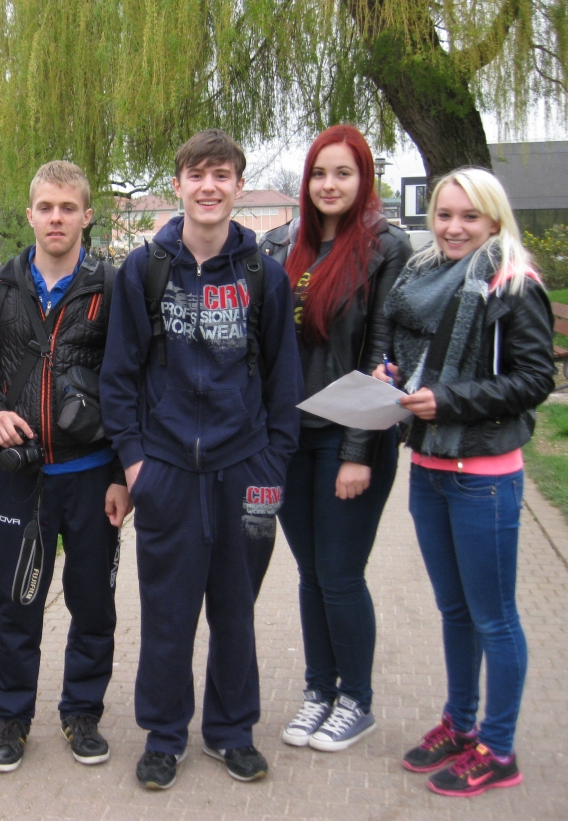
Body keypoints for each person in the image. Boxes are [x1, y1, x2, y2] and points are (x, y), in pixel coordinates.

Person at [101, 129, 302, 789]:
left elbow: (284, 382)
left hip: (247, 472)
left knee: (236, 610)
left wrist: (271, 466)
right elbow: (119, 378)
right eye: (197, 174)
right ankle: (164, 735)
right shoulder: (143, 270)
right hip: (166, 474)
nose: (209, 186)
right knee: (167, 614)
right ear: (178, 184)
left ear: (238, 186)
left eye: (222, 175)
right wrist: (137, 465)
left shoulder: (264, 276)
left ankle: (231, 730)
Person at [373, 167, 553, 796]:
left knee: (493, 617)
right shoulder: (422, 278)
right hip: (428, 468)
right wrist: (393, 377)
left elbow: (535, 379)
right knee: (454, 611)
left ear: (494, 220)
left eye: (469, 217)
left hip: (484, 477)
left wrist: (447, 400)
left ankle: (498, 749)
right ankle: (460, 723)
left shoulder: (513, 284)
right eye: (444, 215)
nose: (453, 228)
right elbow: (417, 361)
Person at [0, 160, 132, 773]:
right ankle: (12, 720)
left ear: (87, 215)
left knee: (93, 605)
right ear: (30, 215)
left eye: (68, 208)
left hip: (92, 475)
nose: (56, 218)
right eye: (45, 208)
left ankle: (82, 713)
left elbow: (131, 380)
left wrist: (120, 474)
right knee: (17, 604)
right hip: (21, 476)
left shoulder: (112, 287)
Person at [259, 126, 412, 752]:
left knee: (341, 574)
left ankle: (356, 701)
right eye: (320, 173)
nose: (329, 184)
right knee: (309, 573)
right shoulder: (279, 246)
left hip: (351, 437)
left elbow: (382, 353)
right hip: (291, 439)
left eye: (343, 173)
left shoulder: (385, 248)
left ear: (363, 179)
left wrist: (356, 453)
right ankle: (318, 691)